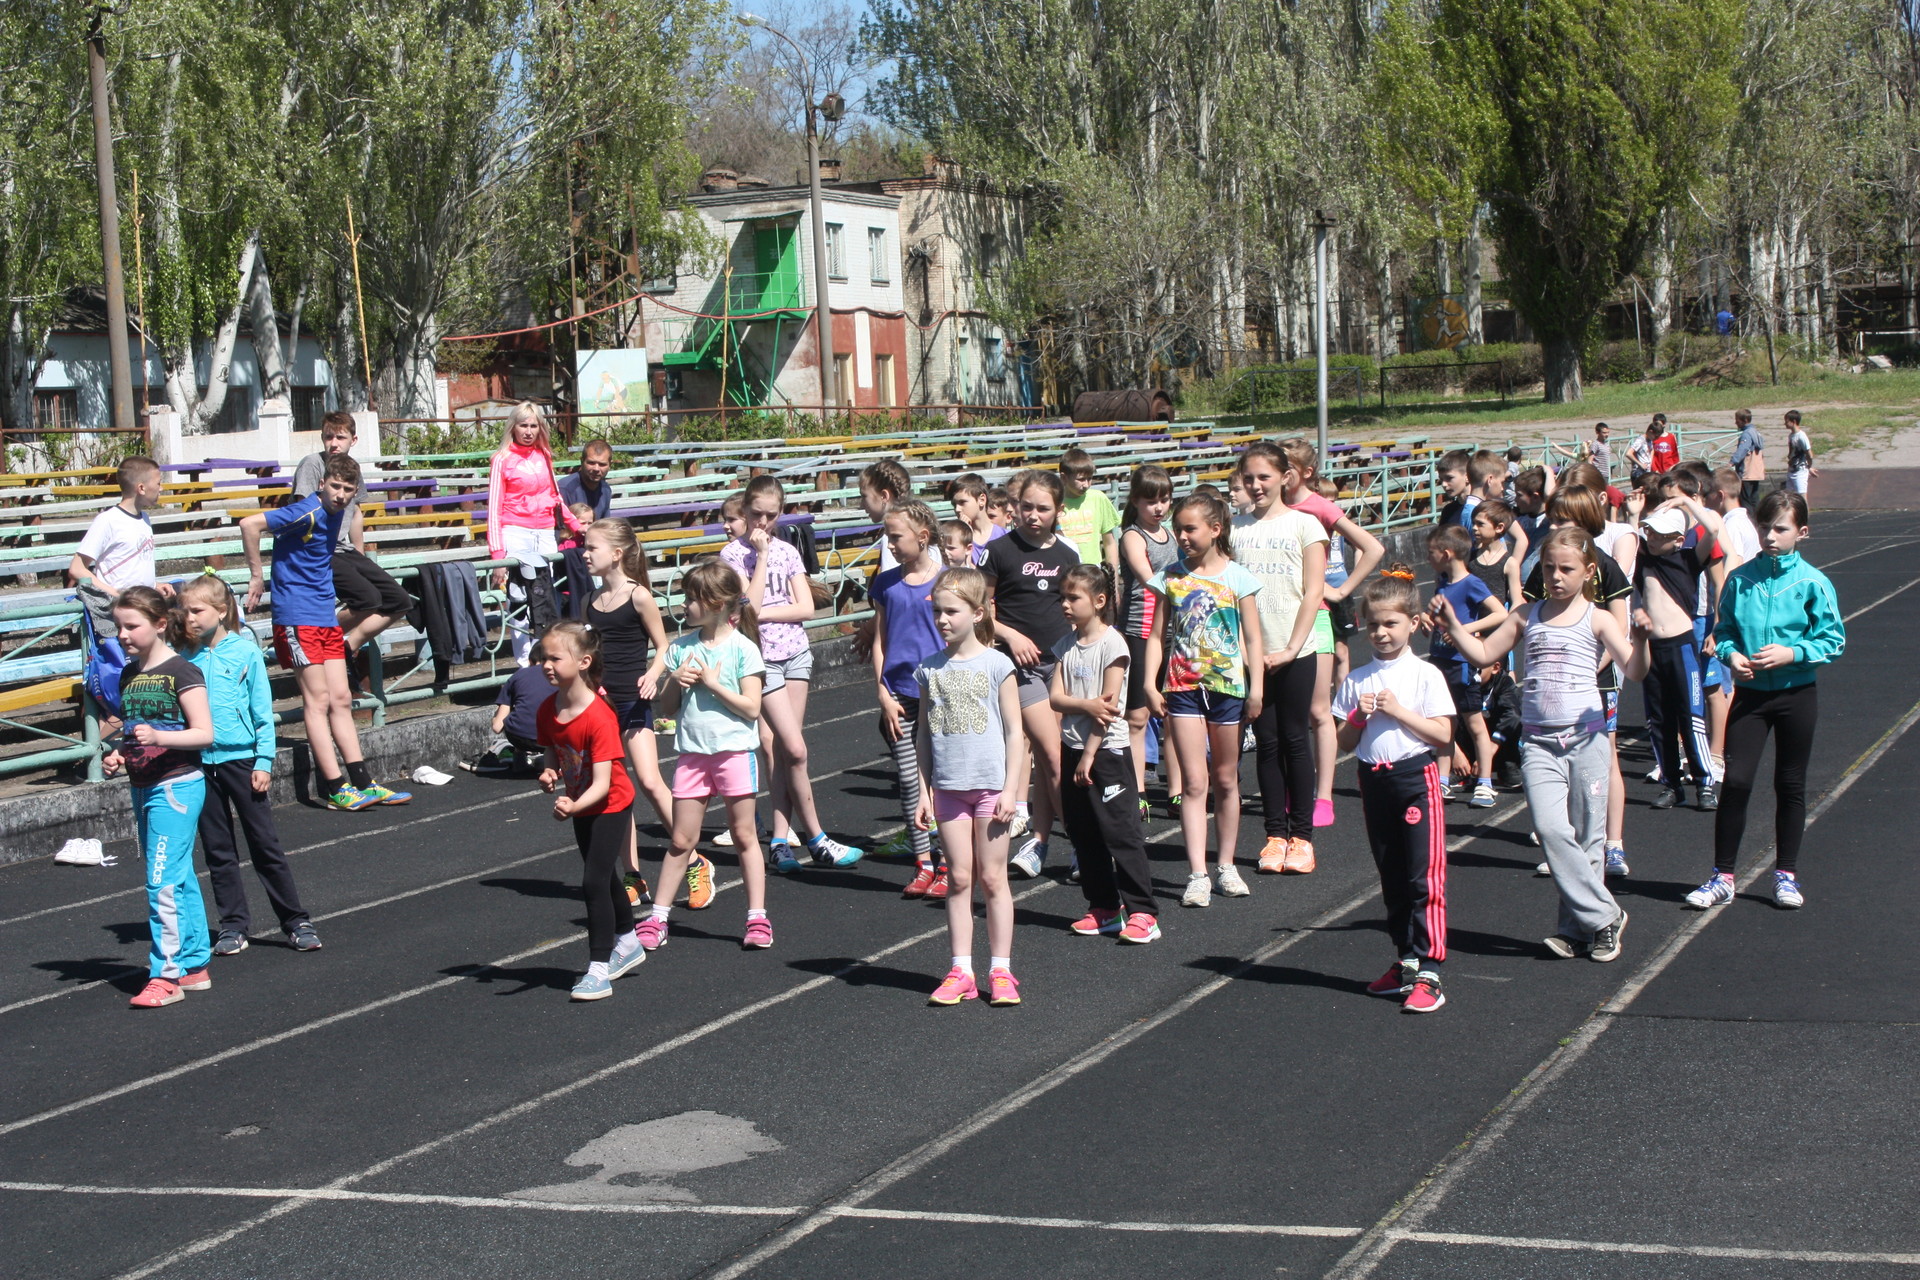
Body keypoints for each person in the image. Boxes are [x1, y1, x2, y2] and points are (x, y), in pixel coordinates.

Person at [1436, 528, 1646, 964]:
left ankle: (1577, 929)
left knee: (1590, 837)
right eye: (1548, 567)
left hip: (1586, 738)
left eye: (1566, 569)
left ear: (1588, 571)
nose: (1555, 576)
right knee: (1552, 831)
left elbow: (1636, 671)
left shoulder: (1599, 618)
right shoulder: (1525, 615)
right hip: (1539, 742)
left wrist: (1642, 640)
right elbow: (1482, 654)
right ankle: (1607, 914)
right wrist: (1454, 626)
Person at [1690, 490, 1845, 911]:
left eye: (1781, 529)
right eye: (1765, 528)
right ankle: (1722, 876)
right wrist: (1732, 656)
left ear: (1802, 532)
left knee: (1790, 784)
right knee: (1736, 783)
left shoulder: (1813, 582)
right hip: (1752, 696)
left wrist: (1792, 653)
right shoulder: (1741, 580)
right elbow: (1723, 633)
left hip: (1796, 695)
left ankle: (1786, 875)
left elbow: (1834, 640)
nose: (1770, 536)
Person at [241, 451, 408, 810]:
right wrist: (257, 577)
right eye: (335, 486)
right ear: (321, 484)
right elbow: (249, 524)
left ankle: (362, 780)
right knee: (316, 701)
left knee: (342, 699)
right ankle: (335, 787)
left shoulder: (338, 515)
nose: (340, 494)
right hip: (296, 617)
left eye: (348, 489)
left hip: (324, 616)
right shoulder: (306, 511)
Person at [1334, 566, 1455, 1014]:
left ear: (1412, 622)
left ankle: (1430, 970)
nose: (1381, 633)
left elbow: (1442, 734)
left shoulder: (1424, 675)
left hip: (1414, 777)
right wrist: (1359, 717)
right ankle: (1404, 960)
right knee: (1390, 873)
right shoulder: (1357, 679)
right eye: (1374, 625)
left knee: (1423, 875)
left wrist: (1400, 712)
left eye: (1391, 624)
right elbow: (1344, 743)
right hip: (1373, 778)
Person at [180, 574, 319, 958]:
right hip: (199, 765)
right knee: (218, 849)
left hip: (241, 761)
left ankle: (295, 920)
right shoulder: (182, 657)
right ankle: (233, 925)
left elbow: (262, 713)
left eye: (197, 610)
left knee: (264, 844)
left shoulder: (245, 653)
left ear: (222, 611)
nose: (189, 617)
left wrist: (264, 761)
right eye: (185, 610)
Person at [726, 476, 861, 871]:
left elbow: (805, 608)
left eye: (771, 516)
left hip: (796, 653)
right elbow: (743, 605)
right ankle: (818, 837)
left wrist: (761, 611)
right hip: (762, 659)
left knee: (786, 749)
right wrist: (762, 559)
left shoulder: (789, 551)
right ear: (745, 512)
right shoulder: (732, 555)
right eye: (756, 515)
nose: (763, 524)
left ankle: (780, 841)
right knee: (795, 749)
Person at [637, 561, 772, 951]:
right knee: (681, 839)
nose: (684, 606)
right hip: (693, 756)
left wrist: (713, 684)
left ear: (714, 604)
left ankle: (757, 918)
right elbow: (667, 709)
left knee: (745, 835)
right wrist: (673, 683)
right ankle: (658, 918)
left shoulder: (743, 649)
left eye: (691, 599)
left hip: (733, 754)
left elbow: (751, 708)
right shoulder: (680, 649)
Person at [1149, 491, 1266, 907]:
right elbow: (1157, 635)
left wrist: (1257, 687)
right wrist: (1150, 681)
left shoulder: (1238, 578)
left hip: (1227, 688)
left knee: (1226, 779)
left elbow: (1252, 637)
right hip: (1181, 688)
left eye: (1189, 528)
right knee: (1194, 782)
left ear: (1216, 530)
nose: (1181, 536)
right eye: (1178, 529)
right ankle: (1198, 873)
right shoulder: (1170, 577)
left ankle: (1227, 865)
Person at [915, 566, 1025, 1007]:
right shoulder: (928, 669)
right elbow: (923, 734)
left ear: (978, 613)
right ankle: (961, 968)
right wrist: (923, 791)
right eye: (938, 612)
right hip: (948, 789)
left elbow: (1016, 733)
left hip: (988, 788)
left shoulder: (998, 665)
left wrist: (1011, 789)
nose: (942, 620)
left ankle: (1002, 970)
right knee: (959, 877)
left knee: (993, 877)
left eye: (951, 612)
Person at [102, 586, 215, 1008]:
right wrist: (120, 754)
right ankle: (194, 964)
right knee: (178, 877)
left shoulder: (182, 672)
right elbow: (138, 732)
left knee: (161, 882)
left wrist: (160, 736)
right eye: (119, 627)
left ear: (160, 624)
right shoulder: (130, 674)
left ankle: (165, 975)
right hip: (142, 785)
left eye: (132, 626)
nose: (124, 635)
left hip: (177, 787)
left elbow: (204, 733)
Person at [580, 518, 703, 903]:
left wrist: (653, 674)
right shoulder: (589, 600)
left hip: (633, 698)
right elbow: (593, 653)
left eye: (591, 548)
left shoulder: (639, 596)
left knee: (650, 781)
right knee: (617, 791)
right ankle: (633, 875)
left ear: (616, 554)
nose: (584, 554)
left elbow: (663, 645)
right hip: (602, 705)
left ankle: (695, 860)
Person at [531, 621, 647, 1000]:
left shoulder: (599, 716)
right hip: (581, 804)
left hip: (610, 802)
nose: (546, 665)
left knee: (592, 882)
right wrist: (549, 771)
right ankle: (629, 942)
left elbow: (602, 783)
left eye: (554, 658)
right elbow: (551, 749)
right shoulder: (549, 708)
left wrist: (572, 804)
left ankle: (598, 968)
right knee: (603, 876)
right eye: (542, 657)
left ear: (583, 661)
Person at [1526, 487, 1635, 877]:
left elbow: (1619, 625)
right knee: (1559, 768)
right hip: (1555, 685)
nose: (1554, 526)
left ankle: (1613, 843)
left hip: (1596, 678)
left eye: (1563, 520)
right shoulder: (1548, 567)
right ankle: (1567, 848)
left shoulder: (1603, 565)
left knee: (1605, 763)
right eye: (1552, 519)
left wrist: (1590, 666)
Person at [1279, 439, 1385, 829]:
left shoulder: (1319, 506)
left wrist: (1340, 591)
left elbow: (1372, 547)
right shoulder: (1266, 509)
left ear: (1305, 472)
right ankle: (1294, 785)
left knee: (1317, 709)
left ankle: (1323, 795)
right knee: (1284, 716)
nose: (1278, 473)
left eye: (1286, 466)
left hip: (1317, 617)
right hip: (1277, 619)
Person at [980, 470, 1080, 879]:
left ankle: (1040, 842)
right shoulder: (999, 550)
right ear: (1015, 507)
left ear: (1058, 511)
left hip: (1060, 665)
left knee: (1049, 759)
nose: (1033, 515)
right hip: (1018, 667)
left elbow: (1076, 607)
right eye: (1026, 507)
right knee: (1053, 755)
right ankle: (1080, 844)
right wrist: (1011, 636)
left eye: (1043, 508)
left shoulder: (1068, 556)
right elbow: (980, 608)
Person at [1052, 564, 1158, 944]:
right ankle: (1104, 907)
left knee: (1120, 832)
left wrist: (1088, 755)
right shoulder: (1066, 646)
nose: (1065, 604)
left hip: (1106, 753)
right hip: (1073, 749)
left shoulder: (1113, 645)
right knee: (1083, 832)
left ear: (1099, 601)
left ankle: (1143, 911)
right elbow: (1055, 698)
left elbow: (1108, 708)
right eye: (1062, 597)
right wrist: (1086, 706)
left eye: (1073, 597)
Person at [1231, 442, 1324, 872]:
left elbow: (1313, 593)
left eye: (1264, 477)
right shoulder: (1234, 529)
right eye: (1249, 478)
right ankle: (1274, 835)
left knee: (1294, 740)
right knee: (1265, 744)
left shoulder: (1307, 526)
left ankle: (1301, 838)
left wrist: (1289, 648)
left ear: (1285, 476)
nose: (1256, 485)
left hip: (1296, 650)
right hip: (1253, 655)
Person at [290, 413, 412, 677]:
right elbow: (301, 509)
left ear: (352, 440)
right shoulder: (312, 464)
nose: (334, 443)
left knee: (399, 600)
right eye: (328, 436)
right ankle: (317, 637)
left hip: (344, 549)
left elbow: (356, 511)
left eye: (340, 437)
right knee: (366, 600)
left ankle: (346, 645)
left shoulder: (351, 466)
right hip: (319, 549)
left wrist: (359, 550)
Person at [870, 501, 949, 896]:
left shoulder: (947, 582)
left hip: (942, 695)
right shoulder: (886, 585)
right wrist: (882, 690)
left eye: (896, 536)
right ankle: (923, 863)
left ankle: (949, 861)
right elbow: (881, 640)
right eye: (888, 536)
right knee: (908, 779)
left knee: (943, 779)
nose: (891, 543)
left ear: (923, 536)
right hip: (900, 695)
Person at [1633, 494, 1723, 811]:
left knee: (1691, 717)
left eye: (1660, 534)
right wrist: (1635, 515)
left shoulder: (1687, 561)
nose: (1653, 538)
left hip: (1682, 646)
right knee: (1659, 721)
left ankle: (1704, 784)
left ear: (1679, 539)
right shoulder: (1644, 560)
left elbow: (1711, 529)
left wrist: (1685, 502)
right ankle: (1671, 783)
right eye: (1651, 532)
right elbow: (1633, 540)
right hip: (1652, 650)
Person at [488, 403, 584, 664]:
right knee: (519, 597)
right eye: (523, 425)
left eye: (533, 425)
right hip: (515, 531)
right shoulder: (502, 459)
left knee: (544, 595)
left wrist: (575, 525)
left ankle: (545, 656)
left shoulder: (544, 454)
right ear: (513, 427)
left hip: (544, 531)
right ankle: (523, 662)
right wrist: (497, 554)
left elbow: (555, 497)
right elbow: (494, 508)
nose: (528, 431)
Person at [1424, 525, 1506, 807]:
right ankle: (1442, 781)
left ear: (1446, 553)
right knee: (1444, 721)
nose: (1428, 559)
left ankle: (1484, 782)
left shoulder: (1471, 583)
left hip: (1461, 662)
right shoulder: (1442, 583)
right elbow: (1439, 620)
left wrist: (1465, 628)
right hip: (1439, 660)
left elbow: (1500, 613)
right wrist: (1427, 621)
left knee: (1474, 722)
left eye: (1431, 554)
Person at [1118, 464, 1180, 807]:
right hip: (1140, 631)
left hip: (1171, 631)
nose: (1158, 508)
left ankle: (1176, 789)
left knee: (1172, 713)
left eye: (1164, 500)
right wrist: (1187, 588)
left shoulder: (1170, 533)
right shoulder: (1131, 535)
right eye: (1151, 501)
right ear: (1136, 502)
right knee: (1138, 714)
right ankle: (1138, 788)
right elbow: (1148, 578)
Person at [69, 455, 166, 595]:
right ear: (141, 488)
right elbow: (77, 569)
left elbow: (131, 569)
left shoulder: (144, 518)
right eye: (158, 483)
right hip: (121, 610)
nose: (161, 488)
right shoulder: (107, 521)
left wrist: (154, 585)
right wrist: (117, 595)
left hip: (143, 603)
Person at [467, 659, 552, 776]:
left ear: (530, 661)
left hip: (518, 738)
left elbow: (497, 727)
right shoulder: (561, 675)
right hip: (553, 740)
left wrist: (497, 716)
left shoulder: (518, 675)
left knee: (517, 719)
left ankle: (520, 761)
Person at [1056, 447, 1121, 575]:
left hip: (1092, 571)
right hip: (1063, 570)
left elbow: (1109, 543)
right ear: (1064, 478)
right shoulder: (1054, 501)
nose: (1086, 484)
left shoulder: (1098, 498)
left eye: (1089, 479)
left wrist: (1114, 580)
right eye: (1080, 479)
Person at [1468, 499, 1524, 607]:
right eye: (1473, 523)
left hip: (1498, 621)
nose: (1474, 528)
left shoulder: (1509, 563)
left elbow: (1516, 601)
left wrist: (1510, 622)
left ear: (1499, 528)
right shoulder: (1469, 557)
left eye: (1480, 524)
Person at [1710, 466, 1761, 570]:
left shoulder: (1732, 525)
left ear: (1720, 495)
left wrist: (1722, 585)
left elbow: (1735, 561)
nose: (1705, 500)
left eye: (1707, 494)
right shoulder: (1743, 520)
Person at [948, 474, 1005, 564]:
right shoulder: (952, 539)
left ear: (981, 500)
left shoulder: (1004, 536)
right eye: (954, 505)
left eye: (962, 502)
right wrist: (964, 536)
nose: (957, 509)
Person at [559, 438, 615, 521]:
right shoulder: (565, 489)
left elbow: (604, 525)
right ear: (582, 461)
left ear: (610, 465)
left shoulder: (605, 489)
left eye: (602, 464)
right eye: (591, 463)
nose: (596, 469)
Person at [1728, 409, 1766, 510]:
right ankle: (1758, 520)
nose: (1736, 422)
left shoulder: (1746, 434)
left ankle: (1749, 521)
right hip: (1756, 472)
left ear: (1744, 420)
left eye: (1737, 420)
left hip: (1746, 473)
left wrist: (1732, 462)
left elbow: (1743, 449)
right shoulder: (1756, 433)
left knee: (1745, 500)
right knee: (1754, 498)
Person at [1434, 449, 1476, 527]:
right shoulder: (1448, 511)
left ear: (1467, 476)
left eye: (1449, 478)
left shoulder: (1481, 509)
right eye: (1441, 479)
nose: (1444, 484)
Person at [1784, 410, 1817, 495]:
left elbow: (1809, 454)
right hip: (1792, 470)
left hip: (1800, 472)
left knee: (1802, 497)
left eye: (1787, 421)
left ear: (1794, 421)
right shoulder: (1791, 435)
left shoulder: (1801, 436)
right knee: (1789, 497)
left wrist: (1808, 467)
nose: (1785, 423)